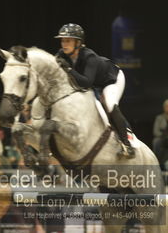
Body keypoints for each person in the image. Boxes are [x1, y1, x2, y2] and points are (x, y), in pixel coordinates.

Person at [54, 23, 134, 158]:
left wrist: (68, 69)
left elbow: (86, 83)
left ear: (78, 43)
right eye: (62, 40)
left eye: (68, 40)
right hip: (94, 84)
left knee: (108, 103)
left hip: (112, 79)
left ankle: (127, 144)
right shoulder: (61, 54)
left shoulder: (89, 56)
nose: (64, 44)